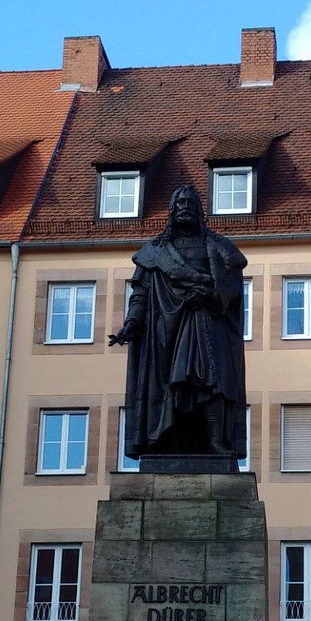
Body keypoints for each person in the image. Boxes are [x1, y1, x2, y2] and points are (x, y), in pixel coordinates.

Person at [109, 184, 247, 461]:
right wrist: (132, 323)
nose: (184, 207)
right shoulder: (156, 250)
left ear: (199, 210)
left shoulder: (219, 247)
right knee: (168, 385)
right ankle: (164, 441)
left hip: (208, 322)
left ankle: (216, 443)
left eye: (190, 203)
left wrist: (209, 295)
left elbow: (232, 287)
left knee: (214, 381)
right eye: (179, 203)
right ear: (171, 211)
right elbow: (141, 292)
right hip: (165, 329)